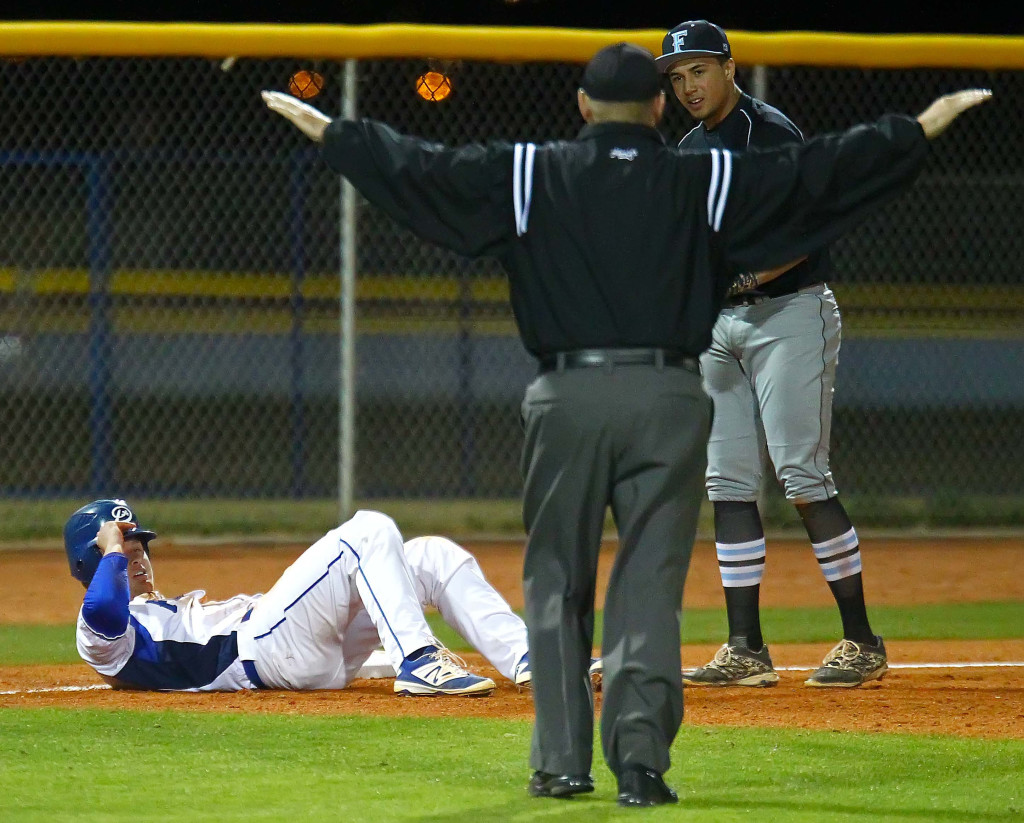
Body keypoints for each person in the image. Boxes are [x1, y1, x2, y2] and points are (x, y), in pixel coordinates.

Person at [262, 50, 989, 806]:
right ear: (656, 108)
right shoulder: (698, 177)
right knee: (647, 587)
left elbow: (423, 169)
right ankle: (640, 765)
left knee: (556, 586)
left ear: (582, 106)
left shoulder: (528, 174)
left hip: (566, 397)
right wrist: (916, 131)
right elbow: (815, 174)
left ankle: (561, 763)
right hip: (668, 397)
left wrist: (334, 134)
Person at [658, 20, 892, 688]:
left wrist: (737, 277)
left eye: (698, 71)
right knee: (728, 482)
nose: (687, 87)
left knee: (802, 475)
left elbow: (805, 230)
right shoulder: (687, 149)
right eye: (677, 78)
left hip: (790, 314)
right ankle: (746, 647)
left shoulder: (772, 133)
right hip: (719, 326)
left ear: (730, 68)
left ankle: (862, 640)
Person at [66, 498, 533, 695]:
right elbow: (103, 607)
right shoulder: (103, 636)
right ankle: (418, 660)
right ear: (96, 560)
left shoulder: (156, 609)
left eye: (139, 546)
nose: (138, 556)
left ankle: (531, 660)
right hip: (265, 649)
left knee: (431, 556)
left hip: (306, 651)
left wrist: (113, 547)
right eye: (125, 549)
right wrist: (110, 548)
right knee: (367, 529)